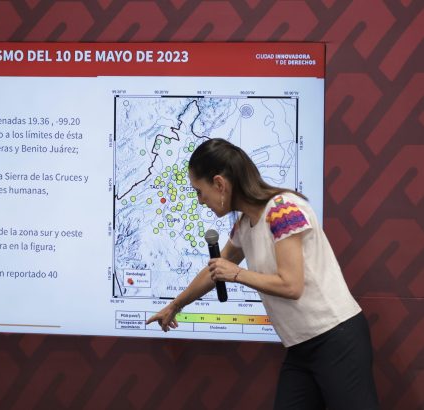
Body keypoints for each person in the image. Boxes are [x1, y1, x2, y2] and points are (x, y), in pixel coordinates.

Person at [146, 138, 379, 409]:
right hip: (299, 346)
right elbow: (215, 271)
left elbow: (291, 286)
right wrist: (175, 305)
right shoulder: (244, 225)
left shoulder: (282, 209)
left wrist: (237, 273)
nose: (200, 201)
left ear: (219, 184)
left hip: (336, 338)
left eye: (200, 191)